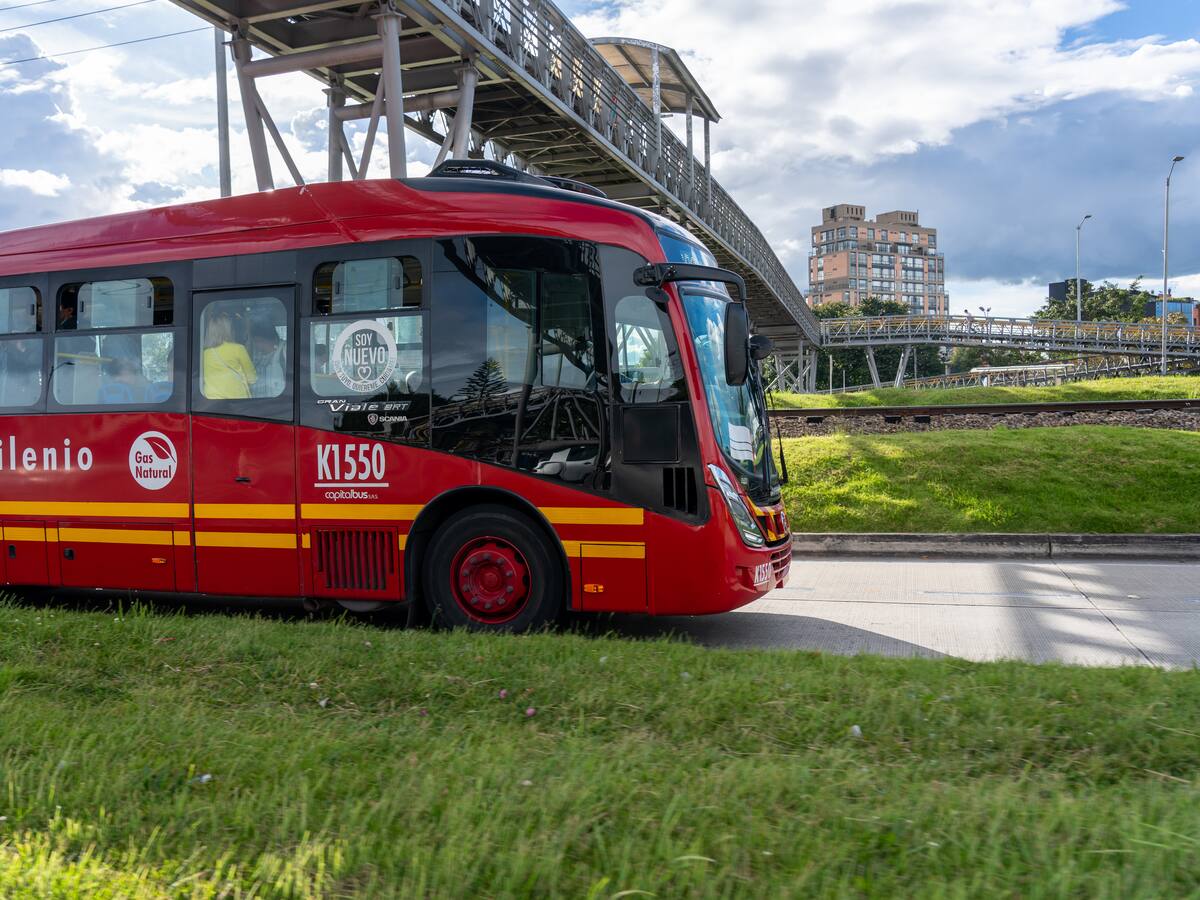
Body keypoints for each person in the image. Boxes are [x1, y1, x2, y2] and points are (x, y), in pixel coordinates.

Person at [201, 311, 256, 399]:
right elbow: (252, 378)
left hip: (211, 402)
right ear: (228, 329)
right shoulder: (238, 349)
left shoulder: (204, 354)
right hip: (236, 402)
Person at [249, 321, 285, 398]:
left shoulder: (285, 352)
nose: (256, 345)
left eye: (258, 341)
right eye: (255, 341)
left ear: (271, 339)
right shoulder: (257, 356)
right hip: (259, 404)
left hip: (278, 404)